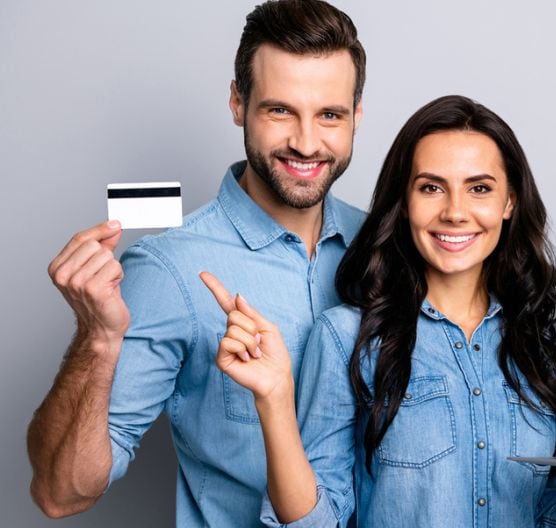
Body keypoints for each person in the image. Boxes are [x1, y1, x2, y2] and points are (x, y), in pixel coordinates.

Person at [204, 95, 556, 527]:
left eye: (478, 188)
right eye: (431, 188)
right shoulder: (349, 336)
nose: (455, 212)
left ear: (508, 202)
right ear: (404, 204)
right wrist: (275, 402)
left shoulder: (545, 338)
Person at [26, 1, 367, 525]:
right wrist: (96, 338)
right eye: (280, 110)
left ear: (356, 116)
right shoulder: (169, 270)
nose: (306, 141)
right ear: (237, 103)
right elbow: (61, 493)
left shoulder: (390, 246)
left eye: (329, 115)